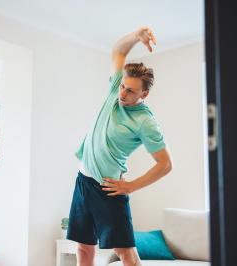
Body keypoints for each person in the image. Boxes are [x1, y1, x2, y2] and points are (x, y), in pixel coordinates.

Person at [66, 26, 173, 266]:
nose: (122, 93)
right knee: (84, 248)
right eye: (123, 86)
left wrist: (131, 186)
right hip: (83, 182)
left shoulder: (146, 122)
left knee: (125, 253)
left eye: (131, 91)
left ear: (144, 94)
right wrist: (137, 36)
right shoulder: (117, 89)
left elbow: (165, 164)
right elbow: (117, 50)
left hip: (109, 189)